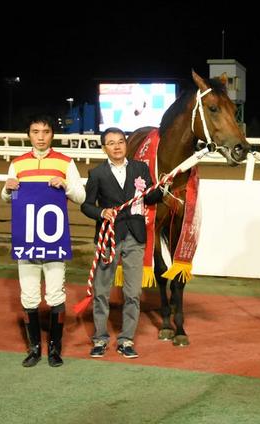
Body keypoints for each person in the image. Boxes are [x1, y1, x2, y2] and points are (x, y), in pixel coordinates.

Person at [1, 115, 85, 368]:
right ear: (29, 134)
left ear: (52, 134)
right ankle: (35, 348)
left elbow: (80, 196)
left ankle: (55, 349)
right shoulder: (17, 163)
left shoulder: (65, 162)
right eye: (35, 131)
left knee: (55, 294)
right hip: (27, 240)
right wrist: (7, 188)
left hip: (53, 241)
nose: (40, 137)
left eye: (45, 131)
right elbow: (7, 196)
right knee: (29, 296)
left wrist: (66, 185)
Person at [81, 127, 163, 359]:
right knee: (101, 291)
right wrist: (101, 212)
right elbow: (86, 205)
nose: (116, 146)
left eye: (120, 142)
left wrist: (162, 189)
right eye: (111, 143)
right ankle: (100, 338)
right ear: (104, 148)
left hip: (135, 236)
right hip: (108, 238)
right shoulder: (97, 174)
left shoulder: (140, 168)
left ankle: (126, 339)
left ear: (126, 145)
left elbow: (149, 197)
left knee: (133, 292)